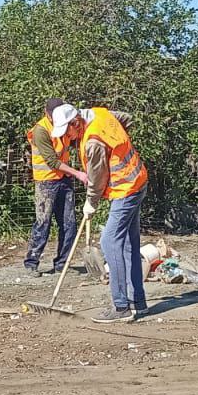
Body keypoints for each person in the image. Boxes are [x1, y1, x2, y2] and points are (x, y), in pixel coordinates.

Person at [51, 103, 148, 322]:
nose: (68, 138)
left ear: (76, 122)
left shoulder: (93, 142)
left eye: (68, 132)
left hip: (126, 188)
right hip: (137, 179)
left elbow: (97, 178)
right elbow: (126, 118)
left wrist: (90, 203)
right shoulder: (100, 113)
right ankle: (138, 303)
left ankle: (121, 305)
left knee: (109, 242)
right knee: (127, 244)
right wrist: (117, 147)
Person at [23, 98, 89, 277]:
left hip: (64, 180)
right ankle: (31, 263)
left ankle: (62, 264)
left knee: (69, 224)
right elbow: (52, 161)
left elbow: (76, 142)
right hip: (46, 182)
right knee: (43, 222)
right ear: (47, 113)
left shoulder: (67, 122)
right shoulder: (40, 131)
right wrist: (78, 173)